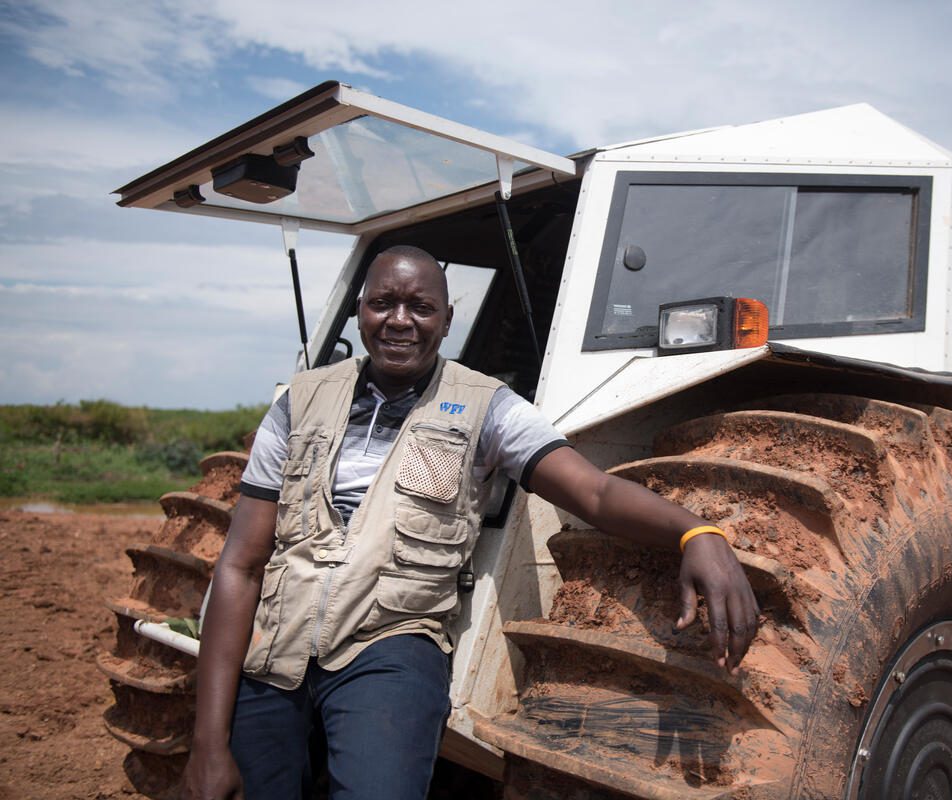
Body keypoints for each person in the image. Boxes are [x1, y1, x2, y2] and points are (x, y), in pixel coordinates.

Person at [184, 245, 759, 800]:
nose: (400, 321)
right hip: (276, 646)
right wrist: (207, 745)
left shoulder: (488, 407)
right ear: (360, 310)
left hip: (390, 646)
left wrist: (695, 532)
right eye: (383, 303)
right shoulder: (300, 401)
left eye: (421, 307)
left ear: (448, 319)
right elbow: (241, 563)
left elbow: (595, 491)